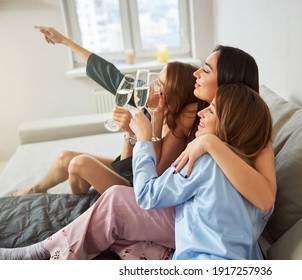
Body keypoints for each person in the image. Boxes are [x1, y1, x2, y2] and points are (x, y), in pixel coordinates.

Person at [0, 40, 276, 260]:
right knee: (99, 189)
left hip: (201, 222)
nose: (196, 73)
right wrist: (149, 124)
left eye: (205, 69)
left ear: (227, 80)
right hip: (184, 203)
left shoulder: (249, 128)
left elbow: (264, 199)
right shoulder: (198, 111)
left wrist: (209, 143)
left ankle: (44, 255)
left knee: (115, 197)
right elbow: (160, 170)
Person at [11, 26, 203, 196]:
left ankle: (84, 202)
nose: (151, 84)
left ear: (173, 95)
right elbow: (108, 73)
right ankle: (34, 190)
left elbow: (151, 176)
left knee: (79, 163)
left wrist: (156, 119)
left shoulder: (178, 126)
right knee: (65, 158)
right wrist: (64, 41)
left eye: (159, 83)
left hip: (138, 185)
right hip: (130, 170)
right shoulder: (146, 100)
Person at [130, 83, 273, 259]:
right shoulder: (256, 176)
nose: (200, 113)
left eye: (211, 111)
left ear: (231, 122)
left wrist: (143, 139)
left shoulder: (203, 161)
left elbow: (146, 195)